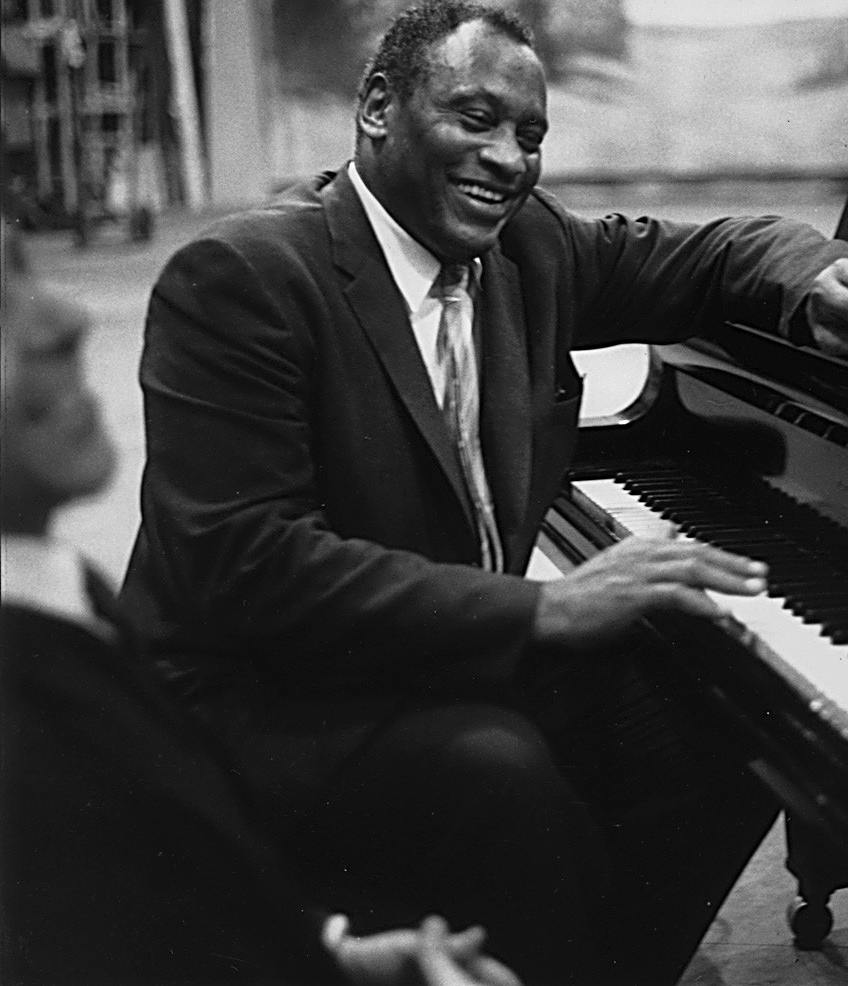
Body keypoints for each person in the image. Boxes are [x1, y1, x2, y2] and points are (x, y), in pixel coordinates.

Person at [120, 0, 848, 984]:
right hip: (255, 694)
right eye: (476, 117)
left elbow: (710, 252)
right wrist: (542, 608)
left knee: (739, 708)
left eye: (531, 135)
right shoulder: (245, 277)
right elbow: (250, 565)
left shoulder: (526, 250)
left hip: (427, 649)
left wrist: (821, 277)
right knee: (499, 772)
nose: (507, 158)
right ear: (378, 107)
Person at [0, 225, 519, 986]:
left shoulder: (53, 585)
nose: (66, 319)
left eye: (23, 269)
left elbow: (152, 889)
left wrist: (337, 955)